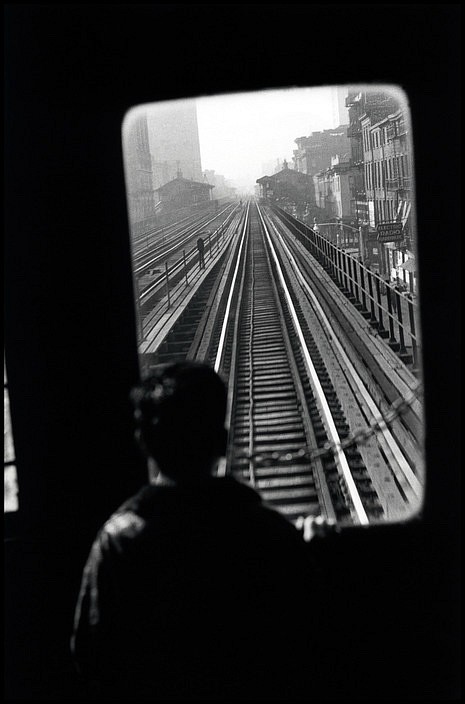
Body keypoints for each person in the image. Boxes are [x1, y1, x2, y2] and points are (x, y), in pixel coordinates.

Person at [71, 362, 324, 699]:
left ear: (143, 442)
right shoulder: (268, 533)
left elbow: (91, 655)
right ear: (221, 442)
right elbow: (304, 640)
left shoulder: (120, 540)